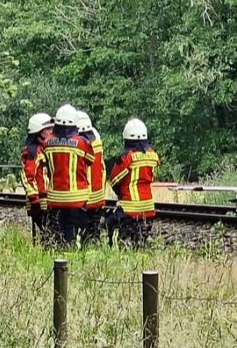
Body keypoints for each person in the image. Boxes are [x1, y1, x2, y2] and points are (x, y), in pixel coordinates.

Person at [36, 104, 95, 245]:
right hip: (77, 198)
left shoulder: (47, 143)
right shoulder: (82, 143)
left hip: (55, 197)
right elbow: (90, 160)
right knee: (74, 233)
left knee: (57, 233)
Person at [106, 118, 160, 246]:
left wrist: (121, 194)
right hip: (148, 206)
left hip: (129, 207)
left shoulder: (127, 158)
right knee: (141, 238)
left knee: (108, 223)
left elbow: (114, 180)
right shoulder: (153, 155)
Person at [21, 112, 53, 241]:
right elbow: (27, 176)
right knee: (47, 234)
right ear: (38, 131)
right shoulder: (31, 151)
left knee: (50, 234)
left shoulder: (47, 148)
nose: (51, 131)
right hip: (39, 201)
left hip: (48, 198)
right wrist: (34, 199)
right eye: (48, 129)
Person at [77, 111, 106, 242]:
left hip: (83, 197)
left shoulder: (78, 144)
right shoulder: (97, 141)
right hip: (98, 195)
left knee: (81, 230)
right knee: (93, 231)